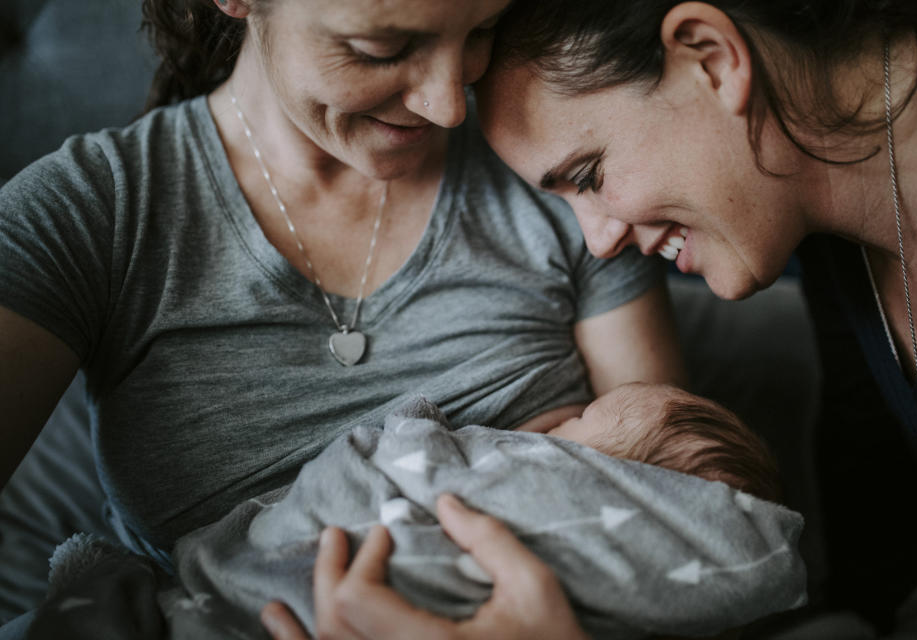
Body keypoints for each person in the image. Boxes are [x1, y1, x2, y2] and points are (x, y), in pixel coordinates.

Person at [0, 0, 693, 637]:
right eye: (382, 47)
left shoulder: (557, 173)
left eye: (482, 31)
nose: (449, 103)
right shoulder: (93, 214)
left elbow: (685, 512)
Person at [471, 0, 917, 632]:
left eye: (589, 176)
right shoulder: (832, 235)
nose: (597, 242)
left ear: (712, 57)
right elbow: (872, 494)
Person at [28, 383, 801, 640]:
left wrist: (421, 423)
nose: (556, 426)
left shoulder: (559, 484)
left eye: (580, 423)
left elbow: (388, 459)